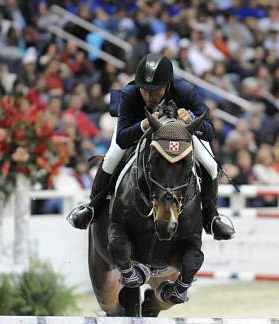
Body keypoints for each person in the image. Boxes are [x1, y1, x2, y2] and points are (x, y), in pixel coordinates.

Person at [68, 53, 234, 240]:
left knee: (211, 165)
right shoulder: (130, 94)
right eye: (144, 90)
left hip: (180, 134)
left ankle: (212, 218)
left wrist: (192, 119)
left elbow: (210, 131)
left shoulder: (184, 90)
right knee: (111, 158)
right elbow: (122, 139)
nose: (148, 96)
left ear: (167, 85)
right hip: (136, 128)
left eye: (155, 90)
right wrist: (143, 125)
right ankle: (92, 208)